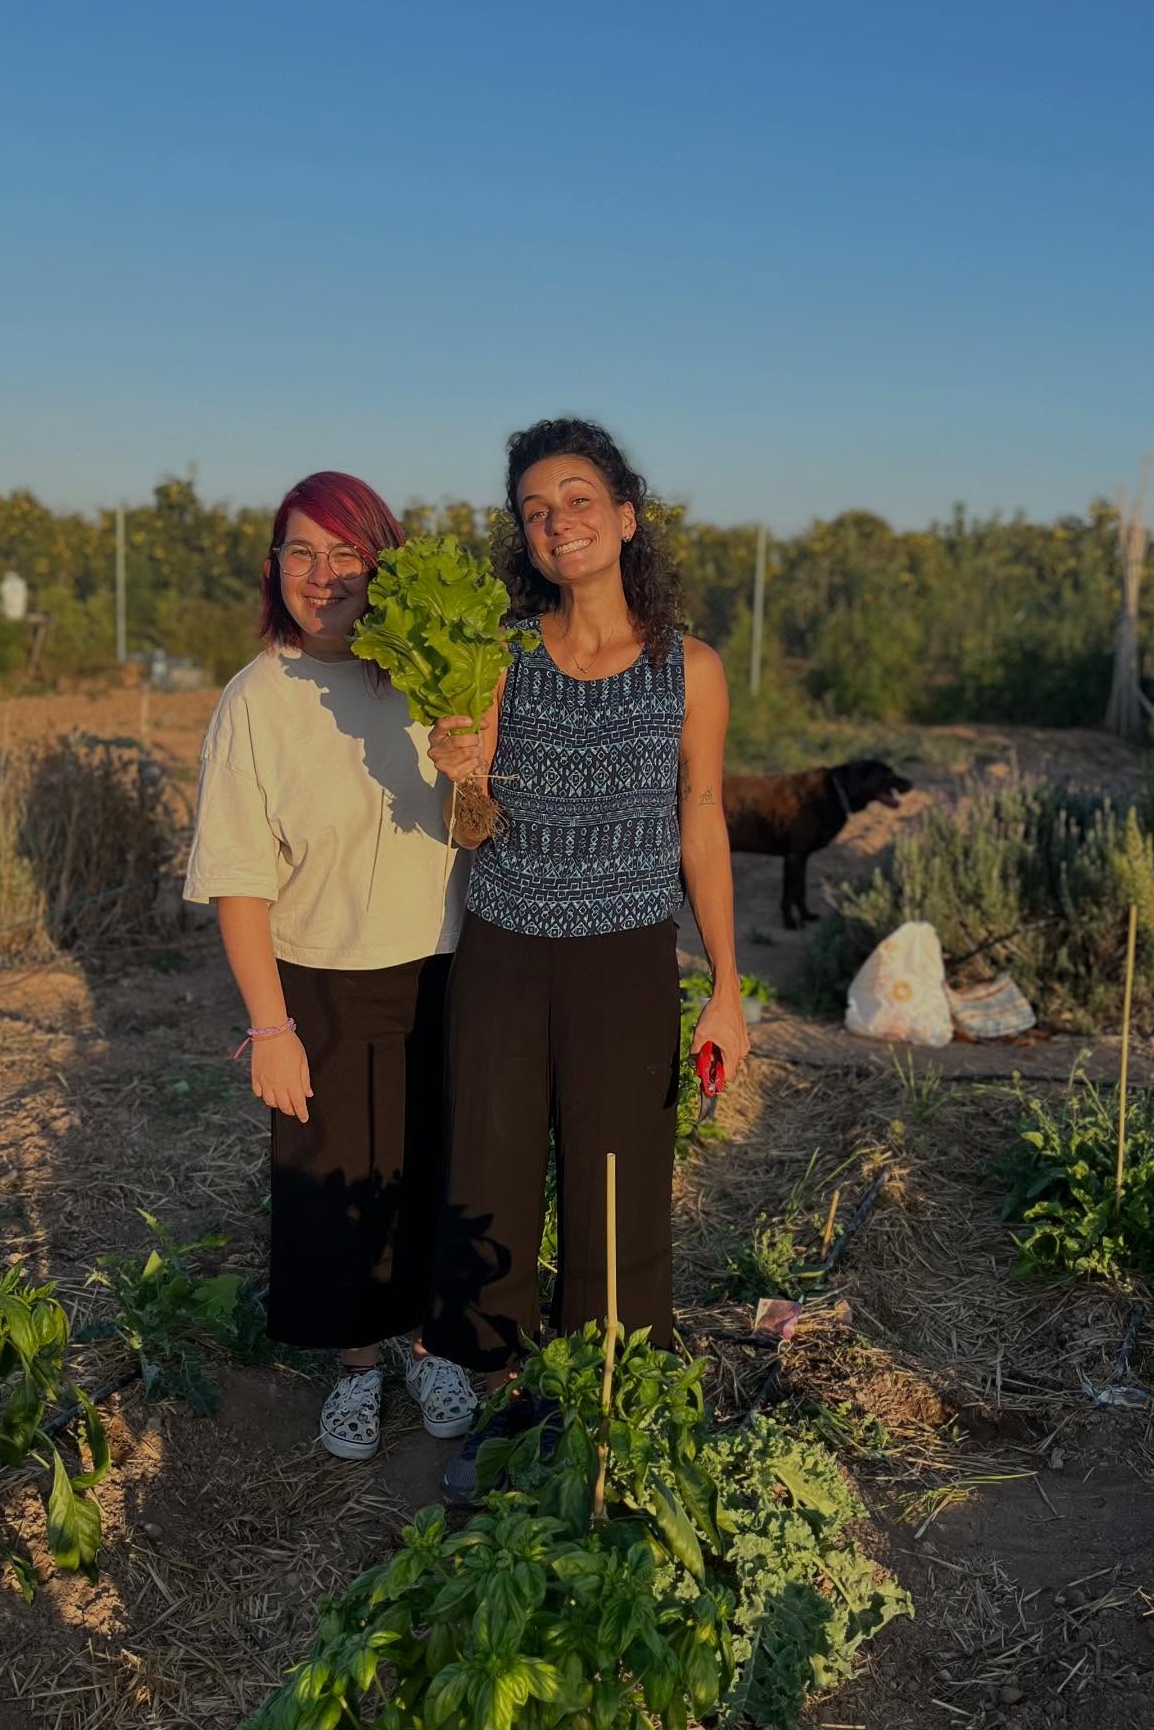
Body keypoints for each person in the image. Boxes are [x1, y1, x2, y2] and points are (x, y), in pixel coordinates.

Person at [422, 418, 749, 1498]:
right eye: (534, 510)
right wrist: (461, 769)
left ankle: (606, 1407)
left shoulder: (690, 668)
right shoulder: (503, 657)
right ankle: (507, 1405)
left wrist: (727, 990)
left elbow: (702, 820)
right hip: (505, 955)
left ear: (625, 516)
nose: (557, 522)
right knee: (491, 1177)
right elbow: (470, 818)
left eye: (576, 499)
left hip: (625, 963)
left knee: (621, 1184)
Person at [183, 472, 478, 1462]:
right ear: (275, 569)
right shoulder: (256, 700)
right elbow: (238, 880)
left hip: (443, 966)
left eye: (345, 552)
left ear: (380, 563)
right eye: (300, 553)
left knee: (429, 1167)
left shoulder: (432, 679)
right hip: (320, 979)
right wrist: (270, 1027)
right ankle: (357, 1362)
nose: (322, 574)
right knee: (335, 1178)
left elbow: (477, 827)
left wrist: (474, 770)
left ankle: (429, 1345)